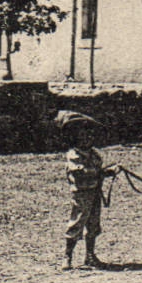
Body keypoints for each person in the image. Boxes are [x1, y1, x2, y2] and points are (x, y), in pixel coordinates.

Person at [57, 110, 116, 269]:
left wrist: (108, 172)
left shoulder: (95, 155)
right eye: (83, 136)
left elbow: (97, 171)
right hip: (82, 195)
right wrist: (99, 172)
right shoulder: (73, 155)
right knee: (76, 224)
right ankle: (67, 256)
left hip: (95, 192)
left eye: (90, 136)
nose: (87, 139)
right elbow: (79, 171)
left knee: (93, 225)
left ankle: (90, 256)